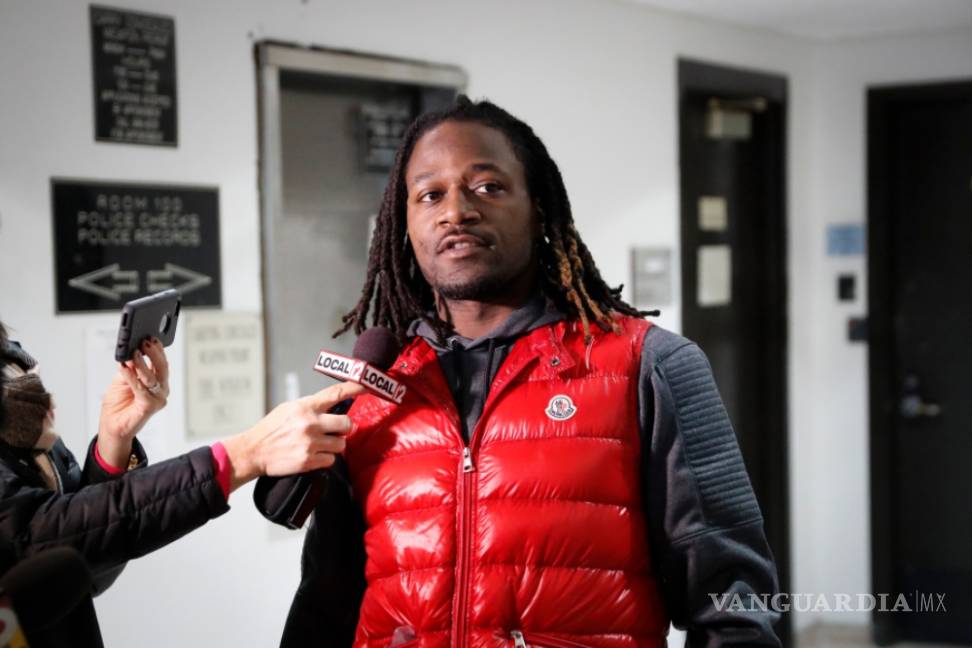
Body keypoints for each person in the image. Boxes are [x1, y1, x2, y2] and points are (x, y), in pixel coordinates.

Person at [276, 96, 781, 647]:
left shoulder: (649, 366)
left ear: (538, 208)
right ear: (405, 224)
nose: (456, 211)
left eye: (487, 187)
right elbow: (324, 605)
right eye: (430, 195)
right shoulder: (373, 392)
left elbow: (733, 603)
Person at [0, 321, 361, 647]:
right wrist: (242, 455)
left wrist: (114, 443)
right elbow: (34, 538)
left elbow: (79, 568)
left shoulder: (13, 370)